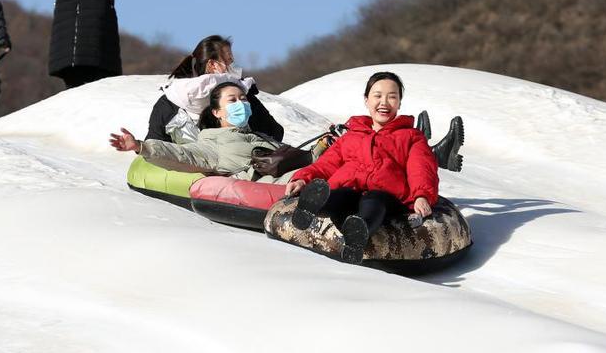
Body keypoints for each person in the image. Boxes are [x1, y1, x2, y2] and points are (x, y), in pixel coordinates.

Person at [284, 71, 439, 263]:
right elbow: (327, 164)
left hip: (387, 195)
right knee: (340, 194)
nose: (384, 102)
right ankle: (312, 205)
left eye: (392, 97)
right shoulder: (352, 135)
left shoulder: (411, 136)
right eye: (377, 96)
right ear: (366, 100)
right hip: (350, 189)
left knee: (374, 200)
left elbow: (421, 168)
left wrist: (422, 195)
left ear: (399, 103)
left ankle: (359, 231)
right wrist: (303, 178)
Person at [110, 81, 283, 178]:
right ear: (217, 112)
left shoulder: (259, 136)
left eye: (244, 99)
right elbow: (183, 154)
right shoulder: (212, 143)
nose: (241, 104)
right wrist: (141, 146)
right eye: (232, 100)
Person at [146, 34, 283, 143]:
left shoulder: (169, 101)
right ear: (212, 65)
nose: (235, 68)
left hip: (190, 176)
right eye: (229, 61)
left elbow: (153, 146)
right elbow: (274, 133)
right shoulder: (242, 98)